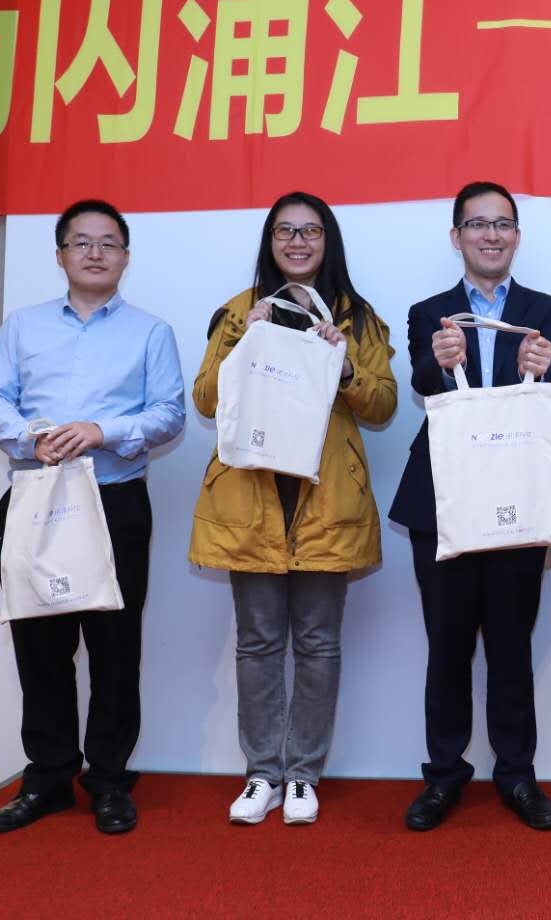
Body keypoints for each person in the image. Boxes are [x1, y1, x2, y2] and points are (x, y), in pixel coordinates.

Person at [0, 198, 185, 835]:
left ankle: (110, 781)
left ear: (125, 256)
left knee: (116, 649)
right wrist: (28, 437)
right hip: (35, 499)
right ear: (61, 254)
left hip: (114, 500)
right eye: (81, 242)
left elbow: (169, 413)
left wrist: (101, 430)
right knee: (40, 647)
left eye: (108, 243)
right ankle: (47, 778)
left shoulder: (150, 332)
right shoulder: (23, 326)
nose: (95, 253)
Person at [190, 192, 397, 827]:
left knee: (317, 643)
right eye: (285, 231)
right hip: (252, 498)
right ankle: (262, 773)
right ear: (270, 241)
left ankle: (303, 774)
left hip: (325, 498)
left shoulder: (356, 316)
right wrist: (243, 344)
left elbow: (384, 404)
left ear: (327, 241)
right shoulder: (238, 310)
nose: (298, 242)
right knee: (257, 643)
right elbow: (204, 399)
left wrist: (343, 366)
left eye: (310, 231)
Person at [388, 181, 551, 832]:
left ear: (516, 236)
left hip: (518, 496)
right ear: (457, 236)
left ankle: (517, 775)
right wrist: (440, 365)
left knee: (512, 647)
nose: (490, 235)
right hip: (443, 498)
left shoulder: (545, 309)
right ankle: (443, 775)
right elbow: (423, 383)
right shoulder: (428, 311)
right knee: (447, 646)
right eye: (477, 224)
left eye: (502, 224)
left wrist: (546, 364)